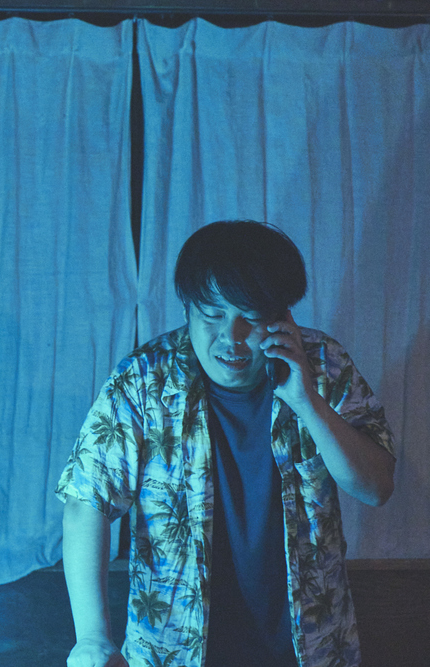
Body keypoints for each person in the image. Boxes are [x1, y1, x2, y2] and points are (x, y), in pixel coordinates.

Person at [57, 220, 395, 667]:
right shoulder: (143, 380)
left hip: (309, 646)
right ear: (187, 310)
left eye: (250, 317)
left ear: (282, 317)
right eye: (212, 315)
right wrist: (92, 637)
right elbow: (86, 502)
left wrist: (306, 401)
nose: (230, 338)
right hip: (175, 650)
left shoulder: (323, 364)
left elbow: (376, 487)